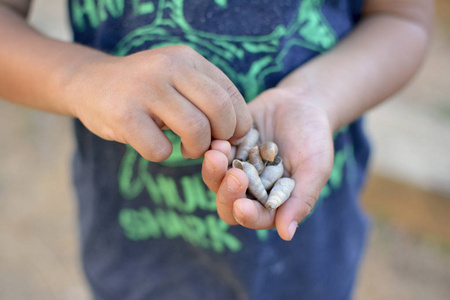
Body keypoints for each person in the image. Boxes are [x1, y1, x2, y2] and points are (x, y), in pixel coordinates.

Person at [0, 0, 433, 299]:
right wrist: (82, 77)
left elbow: (402, 17)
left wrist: (316, 97)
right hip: (132, 260)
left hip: (310, 262)